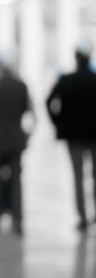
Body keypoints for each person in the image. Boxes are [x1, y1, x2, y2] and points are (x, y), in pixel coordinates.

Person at [0, 49, 34, 235]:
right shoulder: (21, 86)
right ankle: (17, 219)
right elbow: (31, 114)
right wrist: (27, 136)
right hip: (16, 141)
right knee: (17, 182)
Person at [46, 38, 96, 232]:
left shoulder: (65, 80)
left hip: (73, 136)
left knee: (77, 176)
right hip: (93, 135)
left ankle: (82, 216)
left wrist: (58, 123)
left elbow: (49, 102)